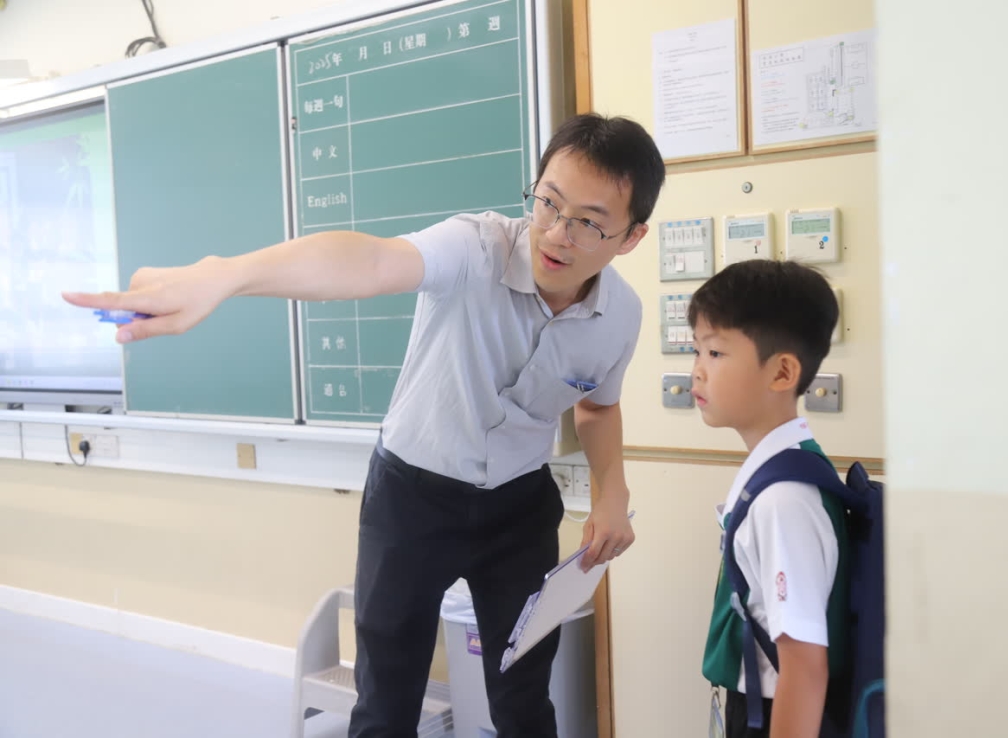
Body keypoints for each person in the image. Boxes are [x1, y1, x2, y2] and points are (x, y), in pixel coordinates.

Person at [63, 113, 665, 738]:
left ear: (631, 237)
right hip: (412, 498)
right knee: (386, 702)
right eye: (548, 203)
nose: (557, 233)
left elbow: (597, 405)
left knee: (524, 700)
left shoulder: (621, 316)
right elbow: (371, 262)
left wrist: (612, 490)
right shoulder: (476, 246)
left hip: (519, 507)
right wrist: (229, 274)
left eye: (589, 223)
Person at [692, 260, 848, 738]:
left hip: (775, 713)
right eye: (696, 350)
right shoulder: (782, 469)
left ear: (782, 372)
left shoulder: (783, 500)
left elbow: (803, 665)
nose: (697, 370)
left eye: (715, 353)